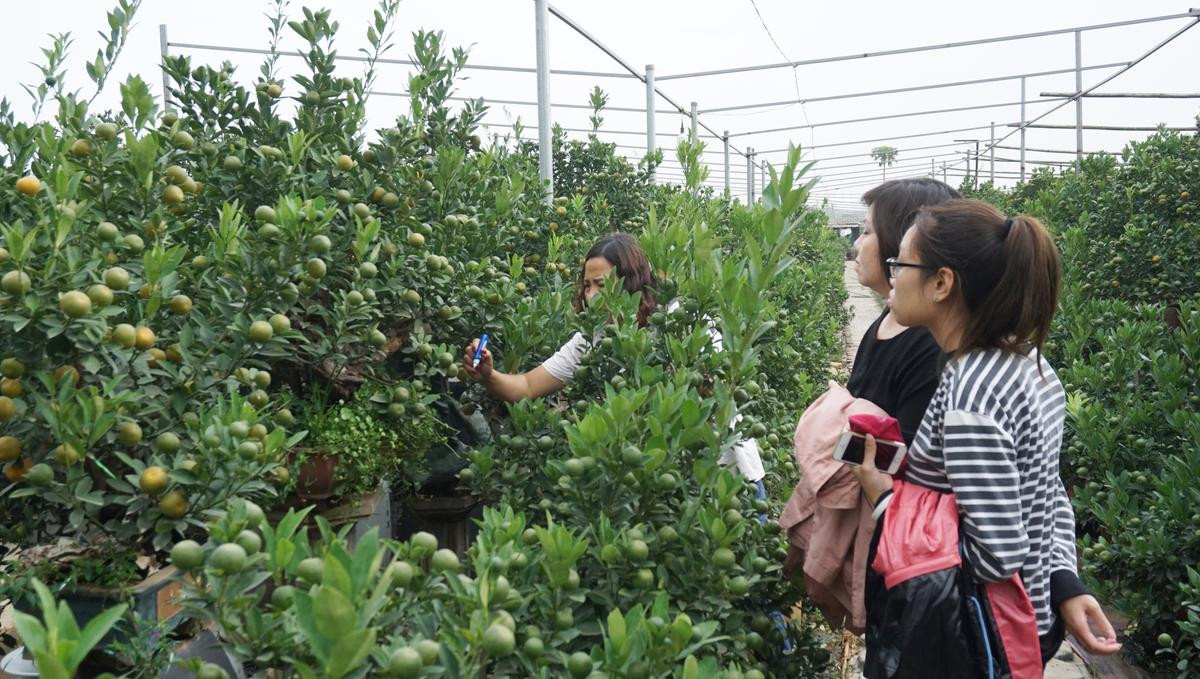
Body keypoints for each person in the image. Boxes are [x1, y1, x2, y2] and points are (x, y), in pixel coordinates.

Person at [851, 199, 1120, 674]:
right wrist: (1063, 580)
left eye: (902, 263)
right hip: (1031, 615)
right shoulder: (1031, 366)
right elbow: (1047, 491)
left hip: (979, 636)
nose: (892, 274)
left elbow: (994, 555)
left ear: (941, 282)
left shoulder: (970, 396)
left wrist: (884, 501)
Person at [462, 233, 763, 483]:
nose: (591, 295)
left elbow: (719, 390)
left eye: (601, 285)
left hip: (725, 478)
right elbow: (527, 385)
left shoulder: (682, 322)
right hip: (654, 481)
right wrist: (489, 375)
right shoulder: (593, 338)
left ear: (630, 283)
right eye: (586, 285)